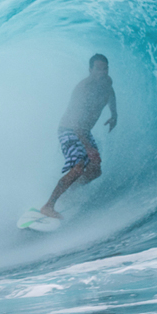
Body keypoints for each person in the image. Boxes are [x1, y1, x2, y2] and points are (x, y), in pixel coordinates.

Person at [40, 53, 118, 219]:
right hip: (70, 129)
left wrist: (114, 114)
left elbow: (111, 93)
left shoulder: (106, 82)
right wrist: (89, 148)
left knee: (95, 171)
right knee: (78, 166)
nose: (102, 72)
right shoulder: (83, 90)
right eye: (98, 69)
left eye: (105, 68)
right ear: (90, 70)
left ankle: (69, 191)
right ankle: (48, 206)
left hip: (84, 130)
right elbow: (76, 124)